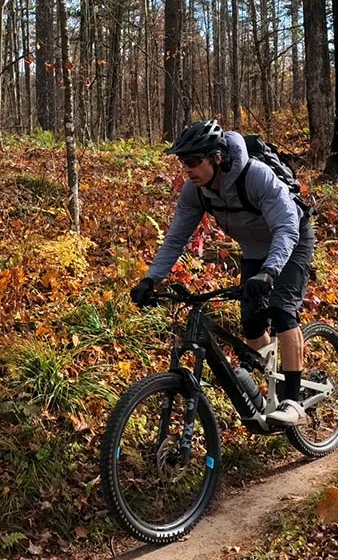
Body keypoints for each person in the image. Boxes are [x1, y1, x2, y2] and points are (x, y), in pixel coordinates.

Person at [130, 119, 315, 425]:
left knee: (283, 310)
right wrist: (150, 278)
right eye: (182, 163)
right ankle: (272, 384)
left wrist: (270, 271)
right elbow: (176, 237)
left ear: (216, 157)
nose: (187, 170)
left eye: (193, 162)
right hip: (256, 249)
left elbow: (285, 226)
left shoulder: (255, 176)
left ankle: (293, 400)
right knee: (252, 323)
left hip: (292, 239)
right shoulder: (196, 190)